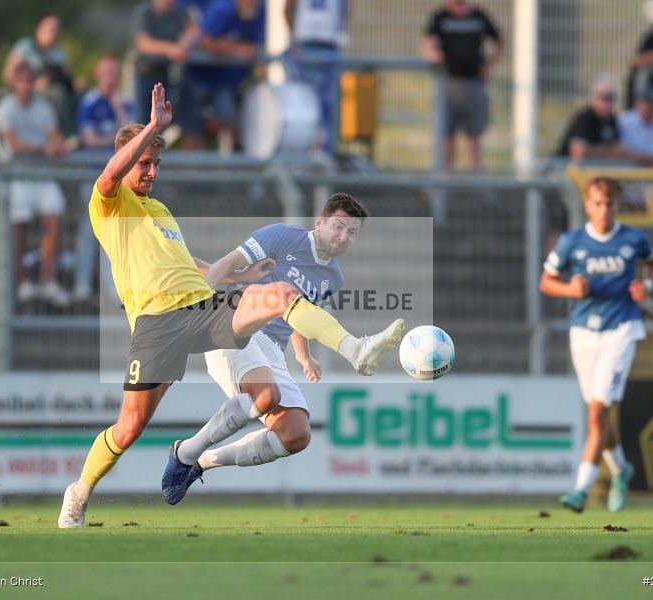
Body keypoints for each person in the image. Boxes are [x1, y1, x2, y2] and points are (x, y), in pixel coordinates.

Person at [57, 83, 405, 528]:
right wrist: (151, 128)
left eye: (156, 163)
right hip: (156, 323)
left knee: (278, 313)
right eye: (144, 163)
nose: (151, 171)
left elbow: (187, 263)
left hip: (204, 306)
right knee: (128, 429)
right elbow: (109, 174)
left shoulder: (160, 211)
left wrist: (242, 278)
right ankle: (80, 491)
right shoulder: (109, 205)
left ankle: (355, 349)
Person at [162, 193, 366, 504]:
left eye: (352, 233)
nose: (343, 237)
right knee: (267, 396)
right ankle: (187, 452)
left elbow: (299, 314)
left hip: (272, 348)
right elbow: (227, 264)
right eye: (339, 227)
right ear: (320, 222)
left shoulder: (333, 276)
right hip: (234, 325)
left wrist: (303, 356)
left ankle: (201, 462)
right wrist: (198, 311)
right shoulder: (281, 236)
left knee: (296, 435)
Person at [540, 176, 653, 513]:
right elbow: (546, 281)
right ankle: (622, 470)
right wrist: (570, 290)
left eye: (610, 204)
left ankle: (580, 490)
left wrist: (647, 288)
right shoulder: (572, 242)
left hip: (622, 328)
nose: (604, 209)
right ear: (587, 205)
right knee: (599, 416)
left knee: (597, 413)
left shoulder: (633, 238)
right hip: (582, 332)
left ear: (617, 205)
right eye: (597, 203)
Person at [0, 61, 71, 307]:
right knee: (20, 230)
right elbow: (14, 143)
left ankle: (48, 281)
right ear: (14, 83)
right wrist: (42, 148)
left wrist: (58, 145)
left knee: (54, 221)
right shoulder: (6, 108)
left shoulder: (44, 108)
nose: (27, 86)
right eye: (22, 80)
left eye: (30, 80)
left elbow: (54, 135)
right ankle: (22, 283)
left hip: (43, 176)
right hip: (18, 177)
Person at [74, 55, 135, 302]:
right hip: (95, 176)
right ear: (97, 74)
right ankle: (82, 285)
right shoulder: (89, 102)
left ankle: (115, 289)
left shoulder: (125, 102)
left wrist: (117, 107)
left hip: (121, 180)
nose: (110, 76)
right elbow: (90, 140)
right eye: (105, 71)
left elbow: (132, 138)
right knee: (90, 231)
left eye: (114, 71)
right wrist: (116, 139)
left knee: (118, 233)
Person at [422, 0, 503, 172]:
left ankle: (475, 185)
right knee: (447, 136)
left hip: (473, 83)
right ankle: (444, 185)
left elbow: (499, 40)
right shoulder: (441, 17)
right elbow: (428, 43)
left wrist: (490, 65)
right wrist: (432, 53)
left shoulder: (478, 16)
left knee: (473, 137)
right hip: (448, 84)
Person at [181, 0, 265, 150]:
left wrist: (225, 46)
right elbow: (202, 40)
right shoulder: (222, 9)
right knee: (192, 128)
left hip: (225, 81)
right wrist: (234, 49)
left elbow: (255, 48)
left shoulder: (259, 11)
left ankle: (226, 168)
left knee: (226, 121)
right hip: (199, 77)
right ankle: (191, 170)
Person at [284, 0, 348, 153]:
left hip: (327, 46)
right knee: (302, 105)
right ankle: (300, 152)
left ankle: (326, 153)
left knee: (328, 106)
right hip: (307, 45)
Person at [4, 15, 79, 136]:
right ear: (39, 30)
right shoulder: (25, 48)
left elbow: (68, 76)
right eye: (51, 30)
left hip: (55, 90)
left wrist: (74, 84)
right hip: (30, 92)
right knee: (57, 94)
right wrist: (32, 84)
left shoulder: (58, 53)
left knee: (78, 95)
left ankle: (80, 135)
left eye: (57, 30)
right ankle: (65, 134)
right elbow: (8, 76)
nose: (54, 34)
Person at [132, 0, 197, 122]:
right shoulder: (145, 13)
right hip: (144, 74)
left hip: (166, 75)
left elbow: (190, 35)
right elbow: (143, 43)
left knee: (164, 120)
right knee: (140, 122)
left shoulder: (177, 13)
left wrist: (185, 45)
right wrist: (171, 49)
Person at [556, 78, 621, 161]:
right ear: (593, 98)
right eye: (602, 97)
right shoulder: (585, 118)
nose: (606, 103)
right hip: (565, 169)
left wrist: (593, 150)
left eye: (610, 98)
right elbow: (578, 152)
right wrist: (606, 151)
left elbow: (618, 150)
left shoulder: (612, 119)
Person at [618, 87, 653, 167]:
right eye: (647, 103)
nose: (651, 107)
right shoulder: (624, 120)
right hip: (628, 171)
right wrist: (650, 158)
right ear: (637, 103)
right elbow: (621, 151)